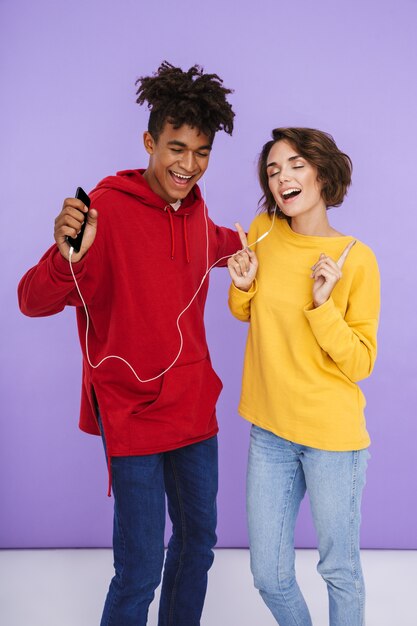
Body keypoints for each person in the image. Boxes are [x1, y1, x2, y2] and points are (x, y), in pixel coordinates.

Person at [18, 61, 242, 626]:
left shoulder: (195, 208)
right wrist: (68, 254)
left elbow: (212, 242)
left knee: (198, 544)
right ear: (149, 141)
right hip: (132, 411)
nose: (188, 165)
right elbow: (31, 299)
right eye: (175, 148)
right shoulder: (105, 209)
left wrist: (258, 240)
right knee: (141, 567)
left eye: (201, 151)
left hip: (194, 406)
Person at [227, 127, 380, 626]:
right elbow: (246, 313)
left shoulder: (356, 258)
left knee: (339, 570)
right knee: (268, 574)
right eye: (273, 170)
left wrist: (322, 306)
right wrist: (244, 286)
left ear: (321, 172)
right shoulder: (263, 232)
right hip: (270, 431)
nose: (282, 178)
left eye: (294, 165)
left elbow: (360, 362)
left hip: (333, 439)